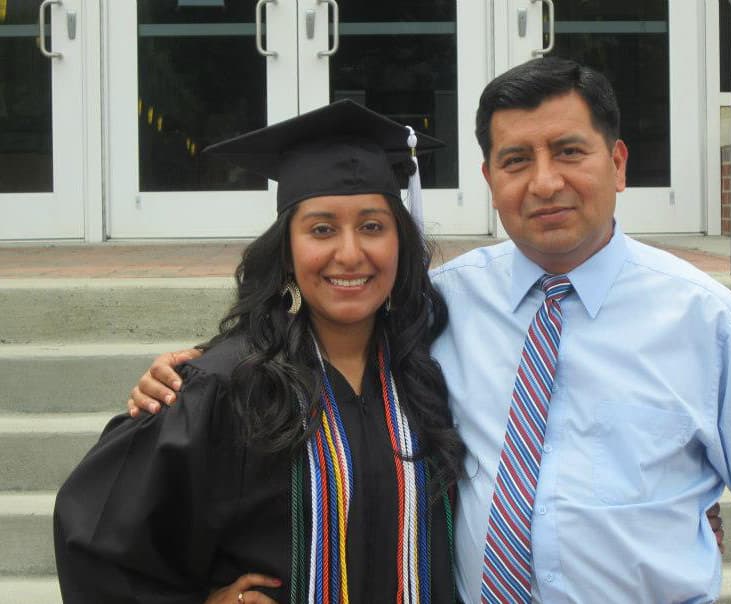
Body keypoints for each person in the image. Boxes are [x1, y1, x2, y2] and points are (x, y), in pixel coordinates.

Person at [128, 57, 731, 603]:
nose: (544, 182)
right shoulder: (437, 305)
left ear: (618, 164)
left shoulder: (708, 322)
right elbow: (324, 325)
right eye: (516, 160)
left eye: (569, 151)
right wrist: (196, 370)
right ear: (489, 178)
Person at [54, 100, 464, 604]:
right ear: (286, 251)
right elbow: (98, 538)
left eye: (373, 226)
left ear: (400, 243)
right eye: (321, 228)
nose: (351, 253)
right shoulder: (227, 384)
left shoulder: (430, 368)